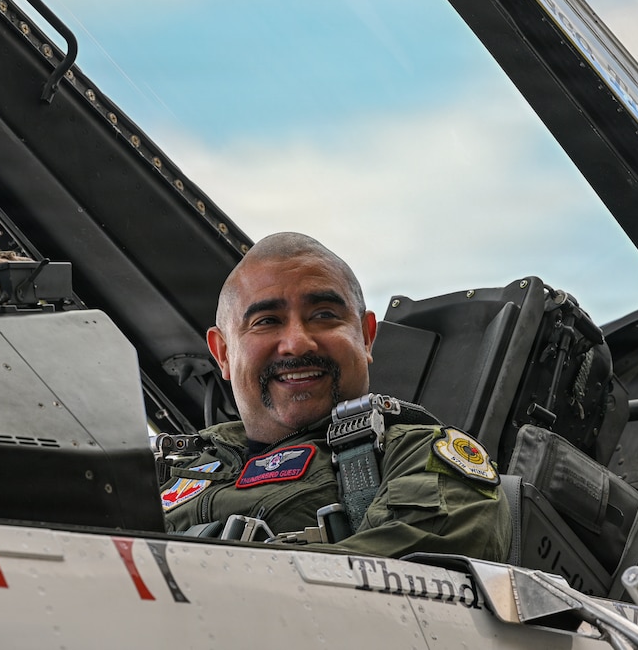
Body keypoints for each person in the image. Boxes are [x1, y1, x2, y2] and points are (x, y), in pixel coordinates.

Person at [159, 232, 511, 562]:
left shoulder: (414, 456)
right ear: (223, 353)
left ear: (366, 337)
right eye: (267, 321)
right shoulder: (170, 471)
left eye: (324, 316)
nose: (297, 343)